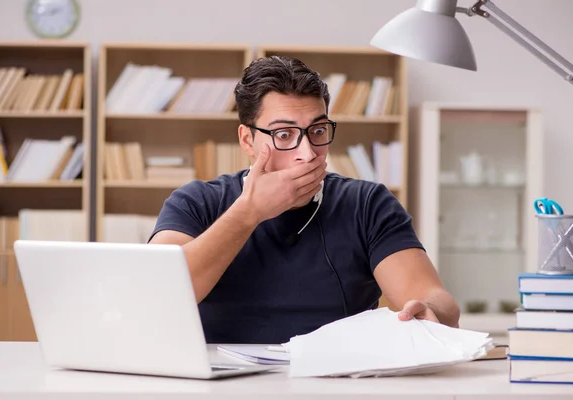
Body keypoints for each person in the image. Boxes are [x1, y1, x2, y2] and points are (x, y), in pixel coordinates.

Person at [148, 55, 460, 344]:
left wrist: (431, 312)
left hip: (337, 379)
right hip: (222, 384)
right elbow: (157, 293)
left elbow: (434, 298)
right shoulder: (196, 201)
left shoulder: (367, 203)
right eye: (284, 134)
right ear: (247, 139)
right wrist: (249, 213)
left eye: (318, 131)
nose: (308, 153)